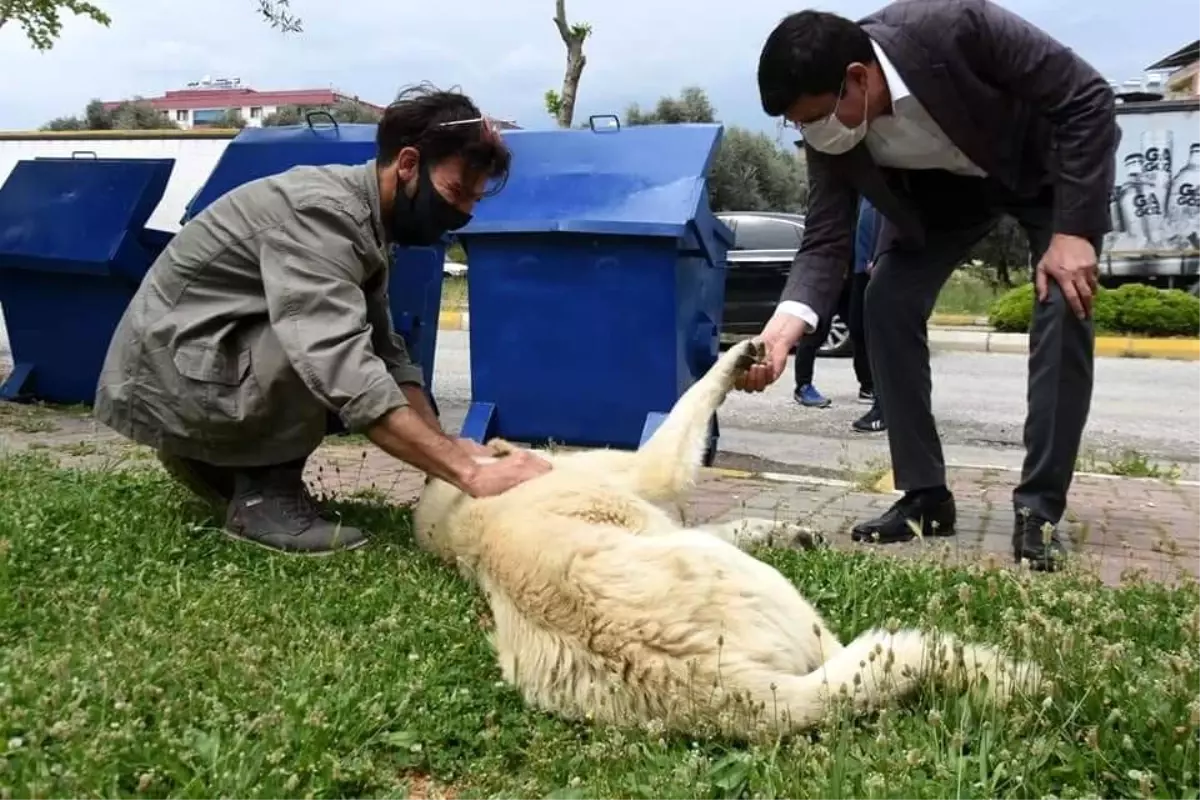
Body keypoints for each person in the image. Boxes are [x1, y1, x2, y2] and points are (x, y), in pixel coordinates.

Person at [94, 86, 552, 556]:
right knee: (322, 347)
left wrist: (448, 451)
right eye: (456, 192)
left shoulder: (363, 215)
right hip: (171, 380)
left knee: (349, 345)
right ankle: (260, 498)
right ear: (409, 164)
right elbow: (338, 360)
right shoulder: (324, 214)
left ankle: (222, 466)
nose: (462, 214)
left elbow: (385, 349)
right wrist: (469, 473)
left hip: (195, 367)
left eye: (473, 202)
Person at [743, 1, 1119, 571]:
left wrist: (1075, 232)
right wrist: (781, 331)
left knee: (1064, 300)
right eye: (796, 124)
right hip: (944, 201)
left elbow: (1087, 98)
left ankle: (1038, 509)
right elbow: (824, 241)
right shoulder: (831, 135)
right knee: (886, 298)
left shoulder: (957, 28)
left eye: (814, 118)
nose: (808, 134)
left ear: (858, 79)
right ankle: (925, 497)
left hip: (1040, 170)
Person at [849, 196, 885, 433]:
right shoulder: (863, 192)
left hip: (879, 267)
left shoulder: (883, 182)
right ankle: (871, 388)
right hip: (860, 269)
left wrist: (879, 256)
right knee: (858, 328)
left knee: (881, 337)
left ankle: (884, 409)